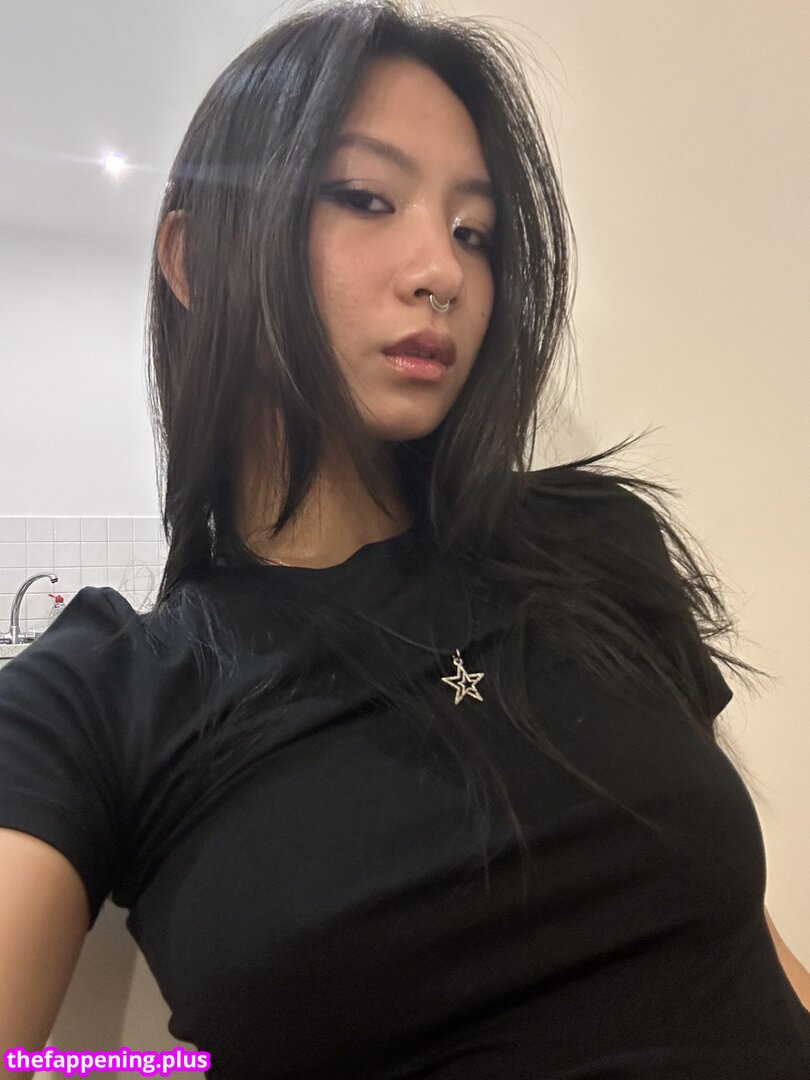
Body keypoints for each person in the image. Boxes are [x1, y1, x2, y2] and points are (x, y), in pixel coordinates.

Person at [1, 1, 809, 1077]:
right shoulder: (104, 698)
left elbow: (748, 943)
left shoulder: (595, 541)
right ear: (195, 260)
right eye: (366, 198)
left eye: (474, 231)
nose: (444, 270)